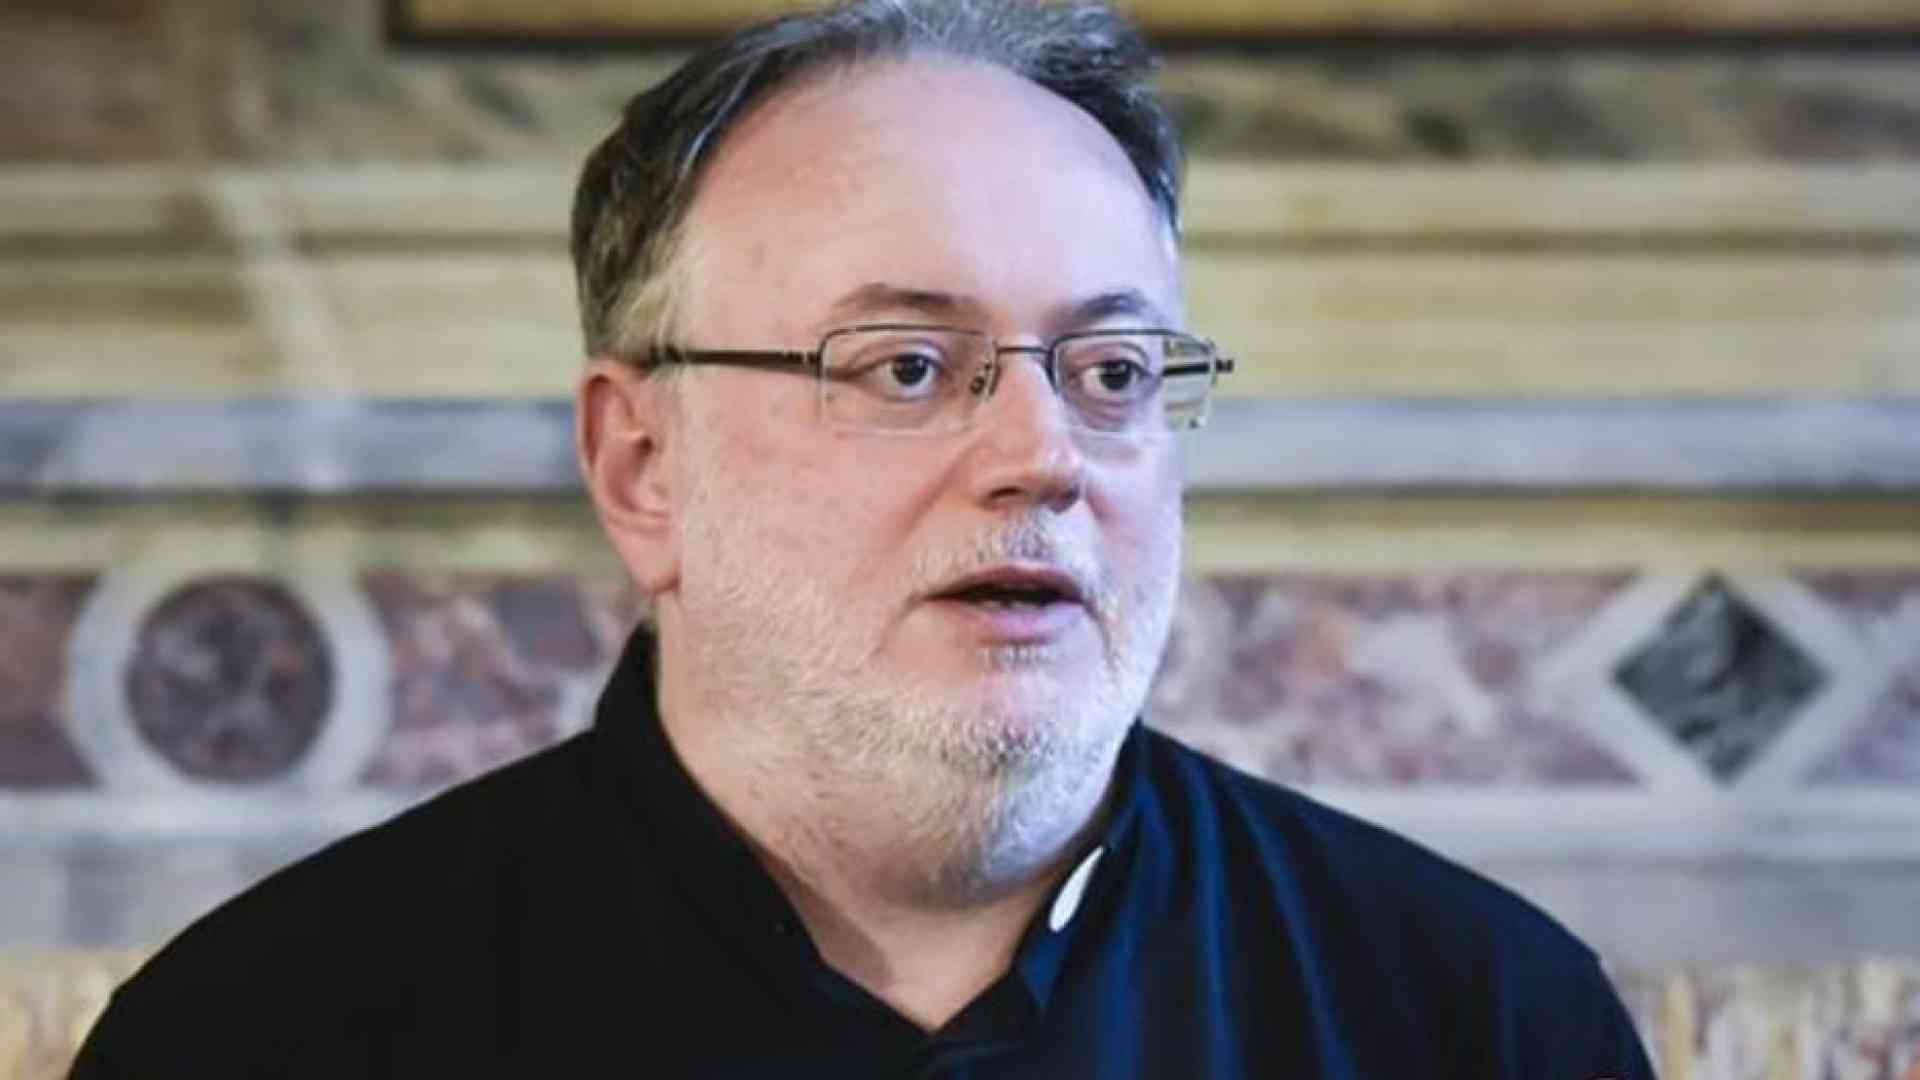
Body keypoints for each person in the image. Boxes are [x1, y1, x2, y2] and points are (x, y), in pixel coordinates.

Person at [73, 1, 1655, 1076]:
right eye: (905, 367)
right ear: (642, 464)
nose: (1042, 457)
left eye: (1111, 373)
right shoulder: (269, 1032)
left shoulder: (1477, 1019)